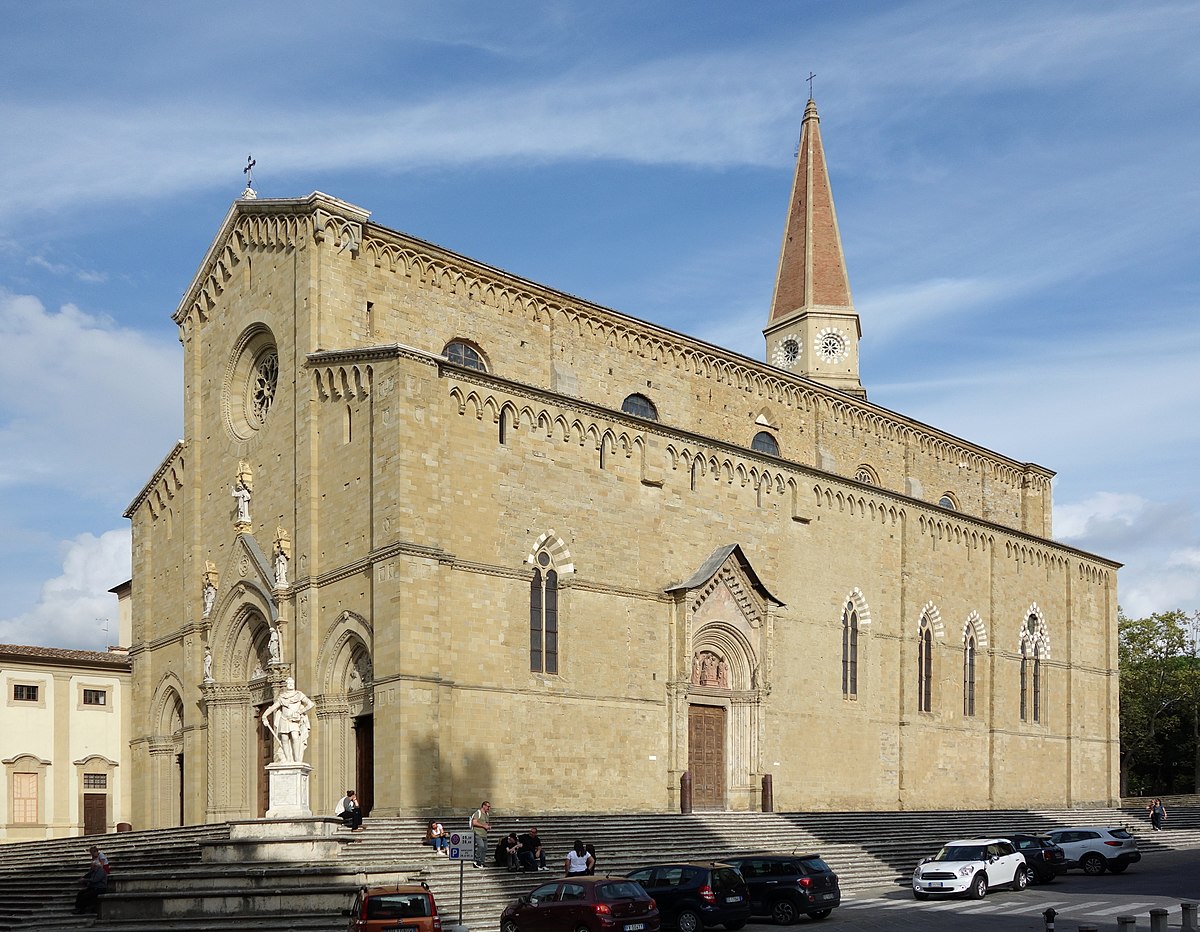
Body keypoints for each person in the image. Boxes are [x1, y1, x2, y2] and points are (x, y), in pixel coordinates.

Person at [260, 677, 314, 762]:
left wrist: (300, 711)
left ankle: (297, 760)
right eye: (289, 684)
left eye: (292, 683)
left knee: (295, 737)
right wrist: (264, 715)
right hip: (284, 720)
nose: (290, 685)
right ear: (286, 685)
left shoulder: (299, 695)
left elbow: (310, 704)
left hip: (294, 720)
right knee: (284, 739)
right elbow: (273, 707)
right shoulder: (282, 697)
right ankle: (288, 760)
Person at [73, 847, 109, 914]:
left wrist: (85, 880)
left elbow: (95, 880)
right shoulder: (93, 870)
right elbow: (89, 874)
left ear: (95, 866)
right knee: (80, 893)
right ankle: (77, 908)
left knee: (86, 896)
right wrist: (82, 878)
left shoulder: (100, 871)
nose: (91, 868)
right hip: (94, 887)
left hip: (100, 888)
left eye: (92, 867)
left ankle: (81, 910)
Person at [469, 800, 492, 868]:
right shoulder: (478, 813)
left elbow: (486, 823)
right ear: (483, 806)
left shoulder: (487, 814)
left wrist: (488, 826)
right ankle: (476, 860)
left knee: (485, 848)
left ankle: (482, 862)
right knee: (481, 846)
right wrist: (483, 826)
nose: (489, 808)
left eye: (489, 807)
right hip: (477, 833)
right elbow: (474, 822)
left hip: (484, 834)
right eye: (488, 806)